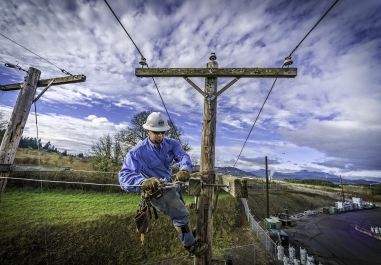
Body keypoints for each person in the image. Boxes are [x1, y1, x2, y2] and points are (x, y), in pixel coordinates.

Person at [119, 111, 208, 255]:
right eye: (156, 132)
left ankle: (187, 233)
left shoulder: (171, 144)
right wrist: (143, 182)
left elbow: (182, 156)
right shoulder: (137, 152)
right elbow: (124, 177)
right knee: (181, 215)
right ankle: (190, 246)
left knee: (181, 212)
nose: (160, 136)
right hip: (157, 192)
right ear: (147, 130)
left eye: (163, 132)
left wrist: (185, 169)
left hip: (171, 186)